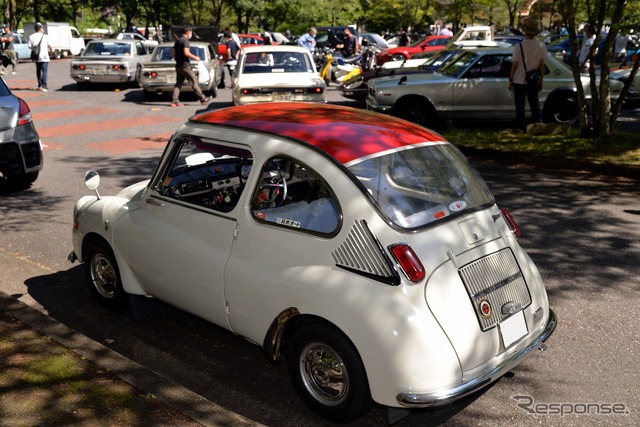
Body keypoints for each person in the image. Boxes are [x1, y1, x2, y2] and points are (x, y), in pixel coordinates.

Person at [509, 17, 546, 133]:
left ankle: (521, 127)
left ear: (525, 31)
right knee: (534, 104)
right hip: (533, 80)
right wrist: (541, 79)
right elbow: (541, 65)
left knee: (520, 106)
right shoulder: (541, 46)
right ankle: (537, 126)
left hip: (519, 80)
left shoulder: (518, 47)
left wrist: (510, 79)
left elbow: (514, 65)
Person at [171, 25, 210, 107]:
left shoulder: (177, 41)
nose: (191, 34)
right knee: (194, 81)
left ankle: (174, 101)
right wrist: (195, 57)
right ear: (188, 32)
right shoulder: (185, 41)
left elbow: (173, 53)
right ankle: (203, 98)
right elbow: (186, 53)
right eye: (191, 32)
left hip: (178, 65)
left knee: (178, 83)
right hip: (185, 66)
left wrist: (178, 60)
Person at [27, 23, 51, 91]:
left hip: (37, 56)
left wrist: (35, 47)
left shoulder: (31, 36)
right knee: (44, 71)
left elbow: (29, 46)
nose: (43, 29)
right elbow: (50, 45)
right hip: (45, 56)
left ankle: (39, 85)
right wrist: (51, 51)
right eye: (42, 28)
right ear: (40, 28)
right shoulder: (45, 36)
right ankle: (44, 86)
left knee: (38, 71)